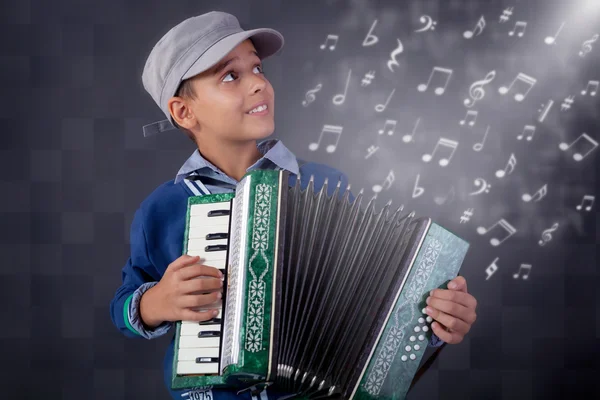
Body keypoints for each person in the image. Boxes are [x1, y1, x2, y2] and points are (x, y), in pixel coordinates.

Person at [109, 11, 478, 400]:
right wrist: (155, 302)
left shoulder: (323, 184)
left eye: (257, 67)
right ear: (184, 112)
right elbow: (124, 306)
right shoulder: (162, 209)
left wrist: (433, 323)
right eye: (230, 76)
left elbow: (361, 298)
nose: (257, 84)